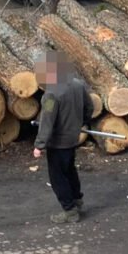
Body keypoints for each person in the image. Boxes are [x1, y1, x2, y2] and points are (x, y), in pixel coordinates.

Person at [33, 50, 94, 224]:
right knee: (70, 170)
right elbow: (89, 107)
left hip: (58, 142)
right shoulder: (78, 85)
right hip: (73, 138)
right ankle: (77, 200)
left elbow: (47, 121)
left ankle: (70, 210)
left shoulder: (51, 94)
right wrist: (82, 122)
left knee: (58, 177)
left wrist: (39, 144)